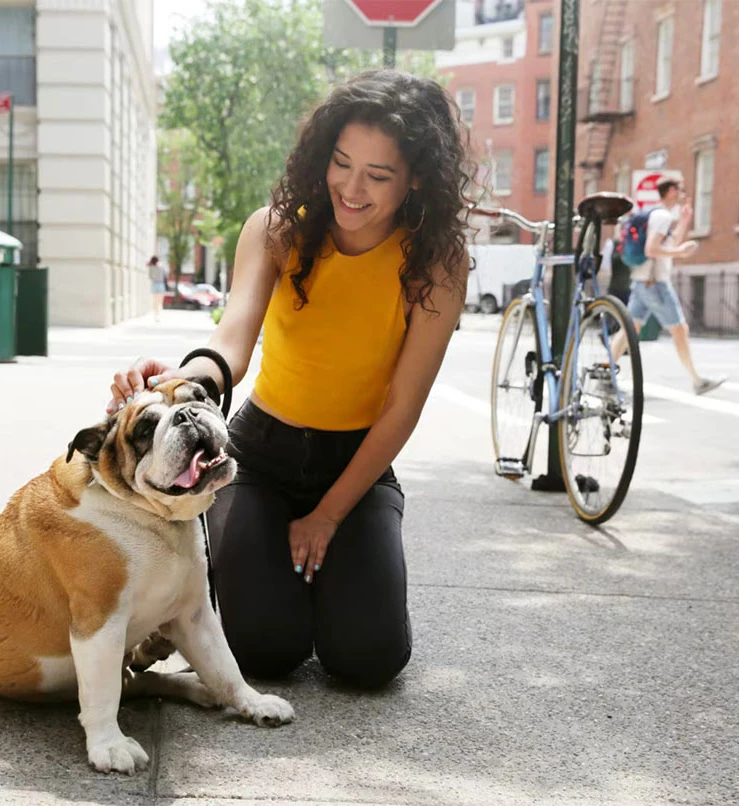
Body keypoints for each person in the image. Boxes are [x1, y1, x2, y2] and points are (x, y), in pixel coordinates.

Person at [107, 71, 471, 689]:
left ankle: (324, 571)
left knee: (368, 662)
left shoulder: (438, 261)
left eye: (378, 176)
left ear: (415, 179)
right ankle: (239, 590)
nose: (351, 189)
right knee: (265, 653)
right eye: (341, 163)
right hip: (259, 457)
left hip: (357, 464)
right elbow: (231, 343)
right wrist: (180, 380)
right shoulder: (277, 226)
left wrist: (328, 517)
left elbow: (403, 408)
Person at [614, 178, 725, 395]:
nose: (683, 194)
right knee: (679, 329)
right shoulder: (662, 216)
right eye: (681, 190)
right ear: (672, 191)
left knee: (629, 330)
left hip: (642, 281)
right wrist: (681, 252)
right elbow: (651, 250)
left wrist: (684, 221)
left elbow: (668, 243)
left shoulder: (659, 215)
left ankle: (605, 374)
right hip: (655, 283)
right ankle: (696, 380)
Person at [148, 256, 167, 322]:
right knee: (160, 301)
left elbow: (150, 276)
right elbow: (165, 275)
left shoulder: (151, 267)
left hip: (154, 284)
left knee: (155, 301)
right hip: (160, 284)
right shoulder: (161, 267)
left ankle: (155, 315)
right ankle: (158, 315)